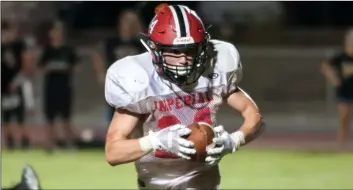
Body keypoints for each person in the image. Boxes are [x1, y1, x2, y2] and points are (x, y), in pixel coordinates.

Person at [104, 4, 265, 189]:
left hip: (204, 182)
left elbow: (253, 116)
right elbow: (113, 152)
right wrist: (155, 141)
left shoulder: (214, 70)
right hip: (156, 184)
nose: (183, 59)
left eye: (190, 50)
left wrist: (233, 140)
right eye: (174, 51)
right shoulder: (140, 79)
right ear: (155, 49)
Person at [92, 9, 145, 123]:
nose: (129, 24)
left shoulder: (140, 43)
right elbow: (97, 54)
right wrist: (100, 73)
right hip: (116, 85)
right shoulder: (111, 42)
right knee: (115, 116)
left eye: (132, 22)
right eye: (126, 21)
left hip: (135, 86)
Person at [38, 21, 79, 153]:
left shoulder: (68, 50)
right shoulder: (47, 50)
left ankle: (69, 144)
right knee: (50, 117)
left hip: (64, 87)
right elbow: (40, 67)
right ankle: (50, 144)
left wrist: (67, 68)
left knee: (66, 117)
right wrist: (49, 68)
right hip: (50, 87)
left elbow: (77, 66)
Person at [1, 21, 34, 150]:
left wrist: (17, 81)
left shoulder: (19, 46)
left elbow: (26, 63)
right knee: (6, 116)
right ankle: (9, 141)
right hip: (3, 87)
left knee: (20, 115)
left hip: (18, 84)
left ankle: (24, 140)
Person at [321, 28, 353, 148]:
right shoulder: (340, 56)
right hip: (344, 91)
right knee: (344, 117)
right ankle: (342, 143)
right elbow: (325, 65)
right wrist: (333, 78)